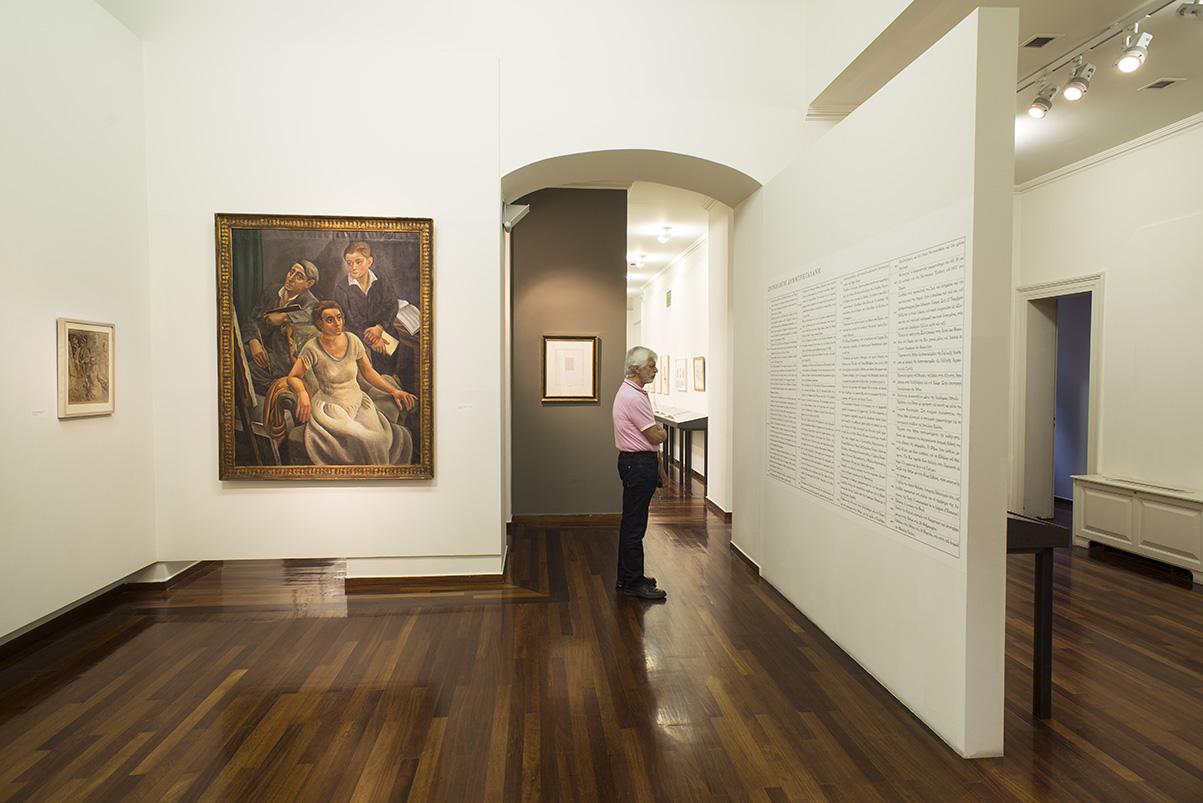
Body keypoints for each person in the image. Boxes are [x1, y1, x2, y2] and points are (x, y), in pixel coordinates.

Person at [286, 300, 416, 465]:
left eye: (339, 317)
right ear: (319, 324)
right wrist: (302, 393)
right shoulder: (311, 348)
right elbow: (293, 376)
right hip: (331, 408)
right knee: (365, 439)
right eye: (330, 320)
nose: (337, 323)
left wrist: (394, 391)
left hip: (359, 402)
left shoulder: (353, 340)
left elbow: (368, 372)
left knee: (380, 440)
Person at [612, 346, 670, 599]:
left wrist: (659, 466)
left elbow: (650, 437)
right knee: (635, 525)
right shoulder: (634, 398)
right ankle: (634, 582)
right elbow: (655, 434)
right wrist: (662, 432)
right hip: (638, 465)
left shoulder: (630, 391)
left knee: (632, 523)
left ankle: (627, 576)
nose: (655, 370)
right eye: (651, 365)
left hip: (637, 462)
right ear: (637, 368)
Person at [242, 259, 320, 393]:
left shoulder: (311, 303)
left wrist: (285, 317)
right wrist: (253, 342)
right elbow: (252, 319)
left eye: (299, 277)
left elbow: (311, 316)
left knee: (248, 370)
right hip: (261, 345)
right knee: (236, 355)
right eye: (291, 272)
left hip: (282, 357)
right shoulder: (272, 291)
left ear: (309, 284)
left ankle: (275, 387)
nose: (291, 278)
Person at [332, 241, 404, 381]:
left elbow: (391, 305)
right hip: (357, 336)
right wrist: (371, 339)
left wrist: (379, 327)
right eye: (349, 263)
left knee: (396, 353)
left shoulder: (381, 278)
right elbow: (348, 320)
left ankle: (391, 378)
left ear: (369, 261)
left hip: (384, 330)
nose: (354, 267)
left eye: (358, 262)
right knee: (371, 370)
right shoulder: (342, 288)